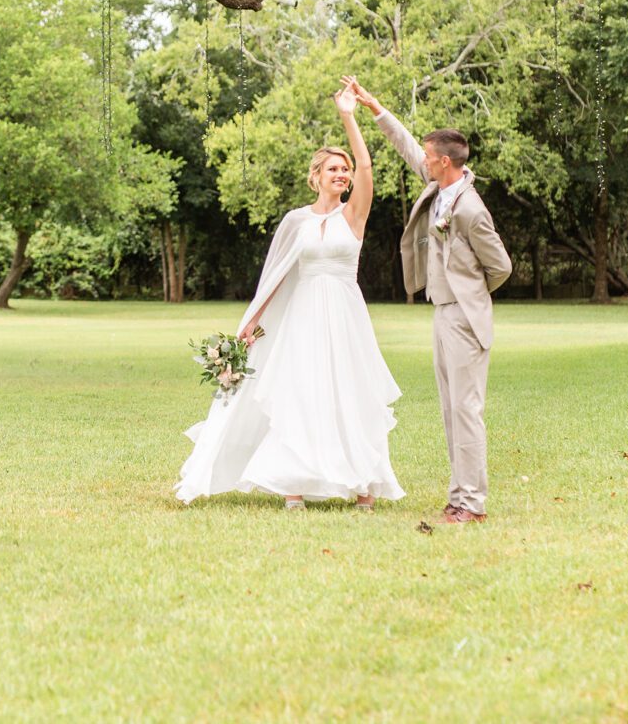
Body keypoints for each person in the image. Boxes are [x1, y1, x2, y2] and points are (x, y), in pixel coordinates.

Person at [175, 79, 403, 510]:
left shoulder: (353, 216)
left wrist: (348, 116)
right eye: (332, 169)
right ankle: (292, 487)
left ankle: (363, 486)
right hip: (303, 317)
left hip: (344, 315)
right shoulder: (295, 221)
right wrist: (250, 324)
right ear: (315, 177)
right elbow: (275, 276)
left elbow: (367, 165)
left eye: (345, 170)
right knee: (300, 392)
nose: (343, 173)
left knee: (350, 393)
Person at [346, 76, 511, 524]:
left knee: (466, 411)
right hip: (442, 313)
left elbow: (501, 267)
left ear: (443, 161)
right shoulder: (438, 186)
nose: (422, 157)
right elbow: (403, 145)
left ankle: (472, 504)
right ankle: (457, 497)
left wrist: (469, 297)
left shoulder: (471, 209)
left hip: (464, 317)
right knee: (449, 411)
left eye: (428, 154)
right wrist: (375, 107)